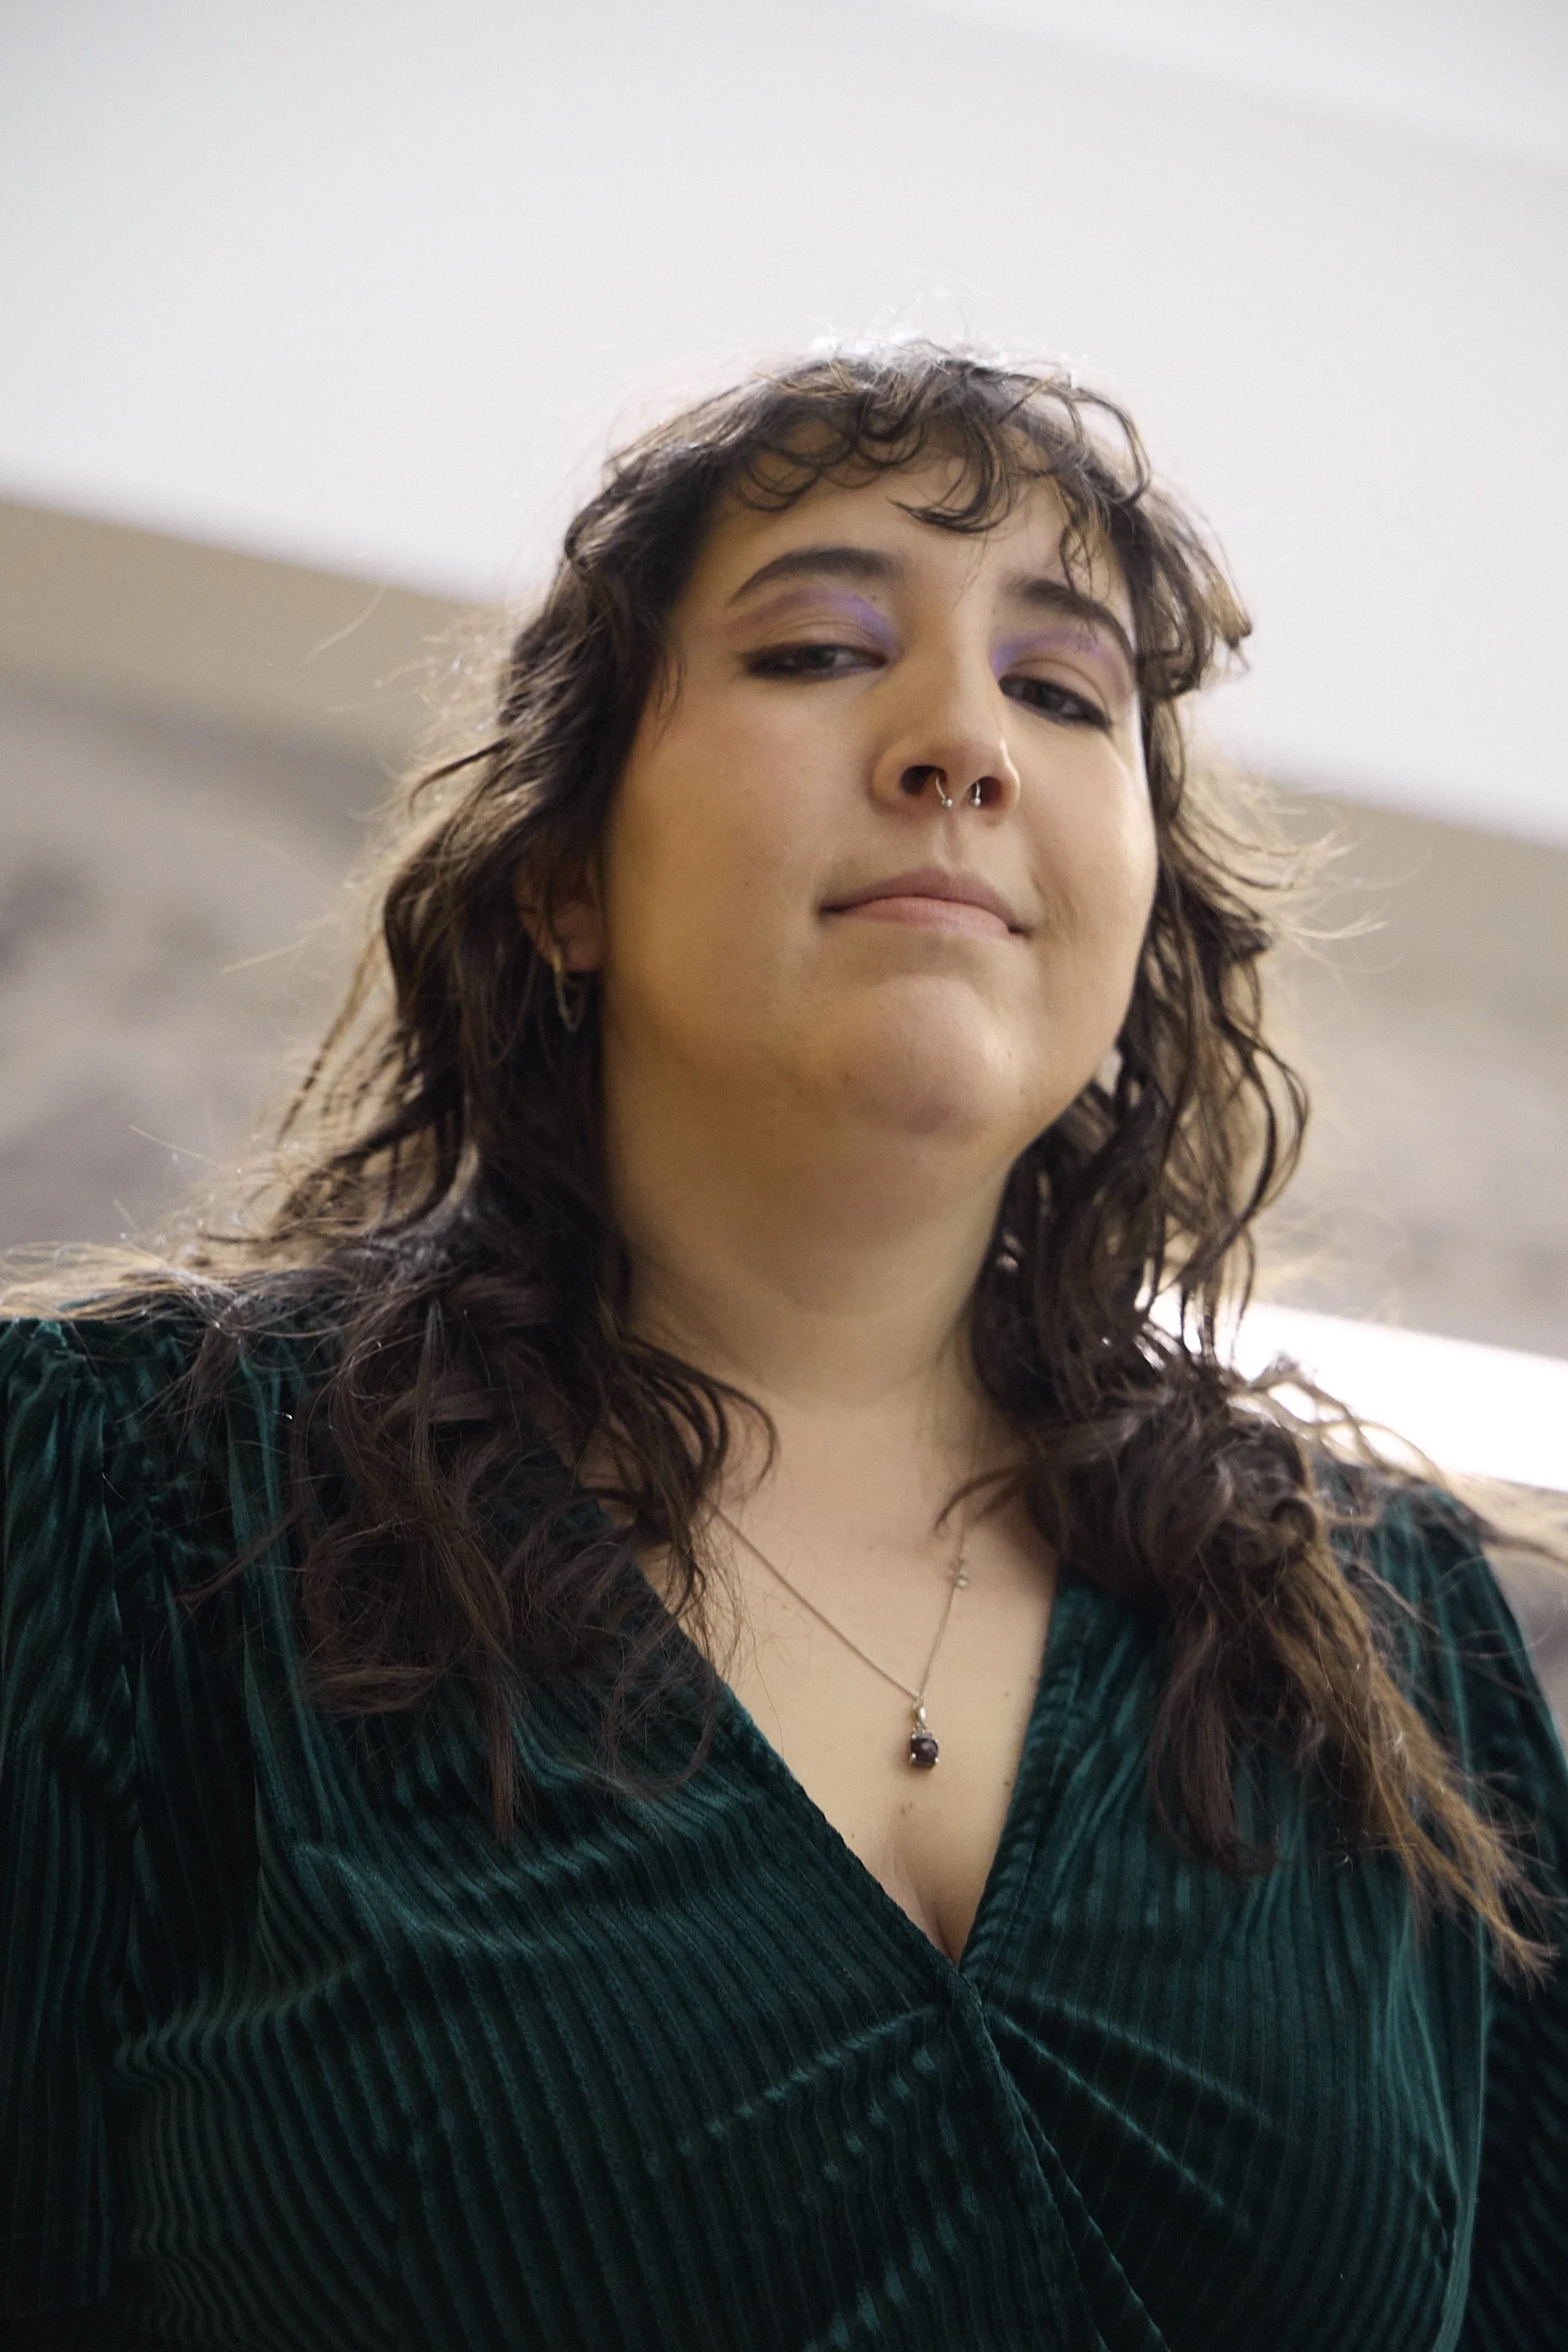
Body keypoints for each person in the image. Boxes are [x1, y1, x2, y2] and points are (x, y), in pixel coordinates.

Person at [2, 344, 1563, 2352]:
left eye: (1061, 691)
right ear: (565, 873)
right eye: (818, 651)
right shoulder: (127, 1499)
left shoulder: (1389, 1643)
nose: (962, 744)